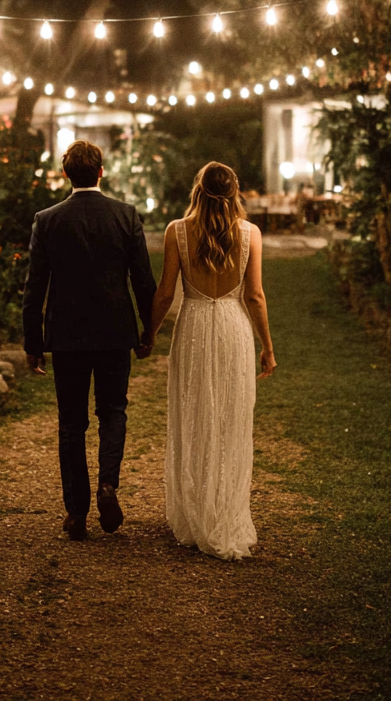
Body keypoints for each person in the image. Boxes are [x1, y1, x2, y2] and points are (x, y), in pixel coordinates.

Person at [23, 140, 157, 541]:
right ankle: (108, 486)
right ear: (101, 172)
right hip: (115, 331)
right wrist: (147, 330)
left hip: (66, 336)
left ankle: (76, 511)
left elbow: (35, 288)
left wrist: (33, 343)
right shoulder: (125, 216)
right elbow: (143, 281)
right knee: (113, 411)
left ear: (66, 174)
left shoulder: (47, 220)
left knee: (71, 422)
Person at [141, 161, 275, 560]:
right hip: (233, 329)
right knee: (231, 419)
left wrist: (148, 334)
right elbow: (254, 296)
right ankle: (224, 512)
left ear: (197, 189)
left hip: (194, 326)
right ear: (235, 192)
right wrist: (267, 344)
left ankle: (195, 512)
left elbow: (165, 293)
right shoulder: (251, 234)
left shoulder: (177, 231)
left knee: (194, 415)